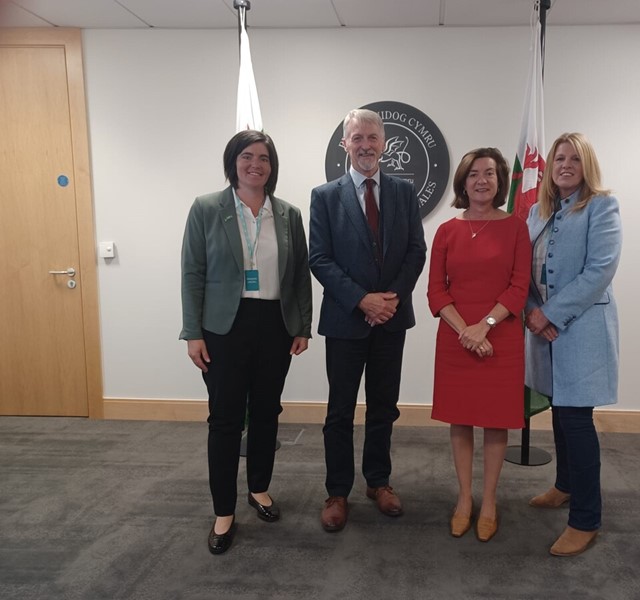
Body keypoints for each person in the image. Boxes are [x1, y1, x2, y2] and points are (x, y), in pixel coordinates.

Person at [180, 129, 313, 554]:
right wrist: (193, 332)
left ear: (273, 167)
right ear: (233, 161)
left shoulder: (288, 214)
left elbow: (299, 276)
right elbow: (192, 273)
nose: (256, 164)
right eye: (247, 156)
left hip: (274, 323)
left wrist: (302, 325)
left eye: (265, 158)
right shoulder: (206, 208)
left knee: (266, 412)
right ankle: (224, 510)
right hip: (224, 327)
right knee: (224, 419)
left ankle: (258, 488)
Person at [309, 108, 426, 532]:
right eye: (356, 138)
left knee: (383, 408)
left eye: (372, 137)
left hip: (391, 321)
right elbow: (319, 259)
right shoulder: (325, 196)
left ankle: (378, 481)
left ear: (384, 142)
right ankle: (337, 490)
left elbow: (416, 251)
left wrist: (388, 300)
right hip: (345, 320)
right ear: (345, 144)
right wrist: (362, 301)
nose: (365, 145)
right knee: (339, 411)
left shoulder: (403, 192)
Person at [524, 132, 622, 557]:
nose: (565, 165)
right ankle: (565, 485)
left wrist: (550, 313)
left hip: (580, 329)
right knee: (559, 414)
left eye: (574, 160)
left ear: (587, 167)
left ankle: (586, 519)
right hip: (543, 330)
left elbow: (599, 270)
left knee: (577, 419)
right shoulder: (536, 212)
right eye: (559, 158)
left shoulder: (602, 207)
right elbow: (522, 270)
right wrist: (533, 312)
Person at [427, 147, 531, 542]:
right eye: (473, 174)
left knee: (495, 419)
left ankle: (489, 501)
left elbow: (519, 287)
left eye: (489, 173)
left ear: (500, 180)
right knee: (461, 418)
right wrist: (467, 331)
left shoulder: (516, 227)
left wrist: (484, 326)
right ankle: (464, 498)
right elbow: (436, 292)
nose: (481, 180)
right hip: (457, 338)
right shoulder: (447, 231)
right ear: (463, 182)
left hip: (500, 335)